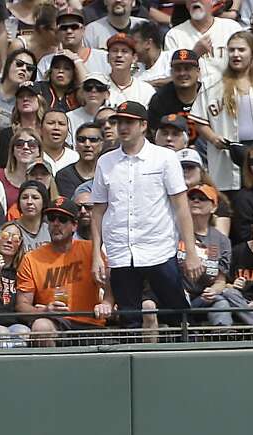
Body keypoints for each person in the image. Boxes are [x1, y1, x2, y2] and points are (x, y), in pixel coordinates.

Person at [91, 100, 201, 330]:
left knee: (177, 314)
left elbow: (182, 207)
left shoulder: (165, 157)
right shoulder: (105, 161)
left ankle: (188, 358)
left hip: (158, 249)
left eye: (129, 122)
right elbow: (98, 211)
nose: (123, 127)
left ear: (143, 125)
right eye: (119, 122)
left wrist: (191, 252)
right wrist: (96, 256)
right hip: (121, 251)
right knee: (130, 319)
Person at [189, 31, 253, 195]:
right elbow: (199, 119)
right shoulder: (213, 82)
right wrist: (213, 138)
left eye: (241, 50)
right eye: (232, 50)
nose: (236, 54)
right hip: (228, 151)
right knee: (232, 200)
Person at [16, 195, 113, 346]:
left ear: (74, 225)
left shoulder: (90, 250)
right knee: (41, 326)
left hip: (90, 323)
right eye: (52, 218)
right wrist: (45, 311)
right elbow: (22, 306)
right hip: (55, 322)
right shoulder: (31, 258)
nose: (55, 223)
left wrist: (107, 302)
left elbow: (110, 280)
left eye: (62, 219)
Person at [178, 183, 232, 325]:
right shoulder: (174, 233)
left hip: (203, 297)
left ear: (214, 207)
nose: (196, 201)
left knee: (220, 301)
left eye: (202, 198)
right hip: (176, 297)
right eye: (192, 197)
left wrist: (213, 291)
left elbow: (220, 281)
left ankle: (224, 337)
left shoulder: (222, 240)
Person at [162, 0, 244, 78]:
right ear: (186, 4)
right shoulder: (173, 35)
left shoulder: (232, 28)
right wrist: (194, 54)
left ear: (212, 1)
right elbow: (171, 76)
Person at [147, 48, 201, 134]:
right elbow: (156, 135)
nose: (182, 73)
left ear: (198, 71)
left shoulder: (207, 94)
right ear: (171, 72)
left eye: (187, 69)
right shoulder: (160, 99)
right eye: (178, 69)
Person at [0, 126, 43, 209]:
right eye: (19, 144)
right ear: (12, 150)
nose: (25, 147)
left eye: (32, 144)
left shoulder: (45, 179)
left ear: (39, 152)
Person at [105, 32, 155, 107]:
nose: (119, 55)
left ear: (134, 58)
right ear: (108, 57)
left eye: (124, 51)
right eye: (115, 51)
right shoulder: (99, 85)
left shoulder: (145, 90)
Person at [55, 121, 101, 197]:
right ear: (76, 144)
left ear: (102, 143)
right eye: (82, 139)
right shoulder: (63, 175)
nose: (87, 144)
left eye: (93, 139)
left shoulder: (107, 174)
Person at [14, 179, 50, 251]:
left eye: (35, 198)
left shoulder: (51, 229)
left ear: (44, 202)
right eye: (24, 197)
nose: (29, 202)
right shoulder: (11, 230)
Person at [39, 108, 77, 174]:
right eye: (51, 123)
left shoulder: (75, 158)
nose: (56, 127)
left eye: (61, 124)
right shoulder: (32, 155)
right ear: (40, 128)